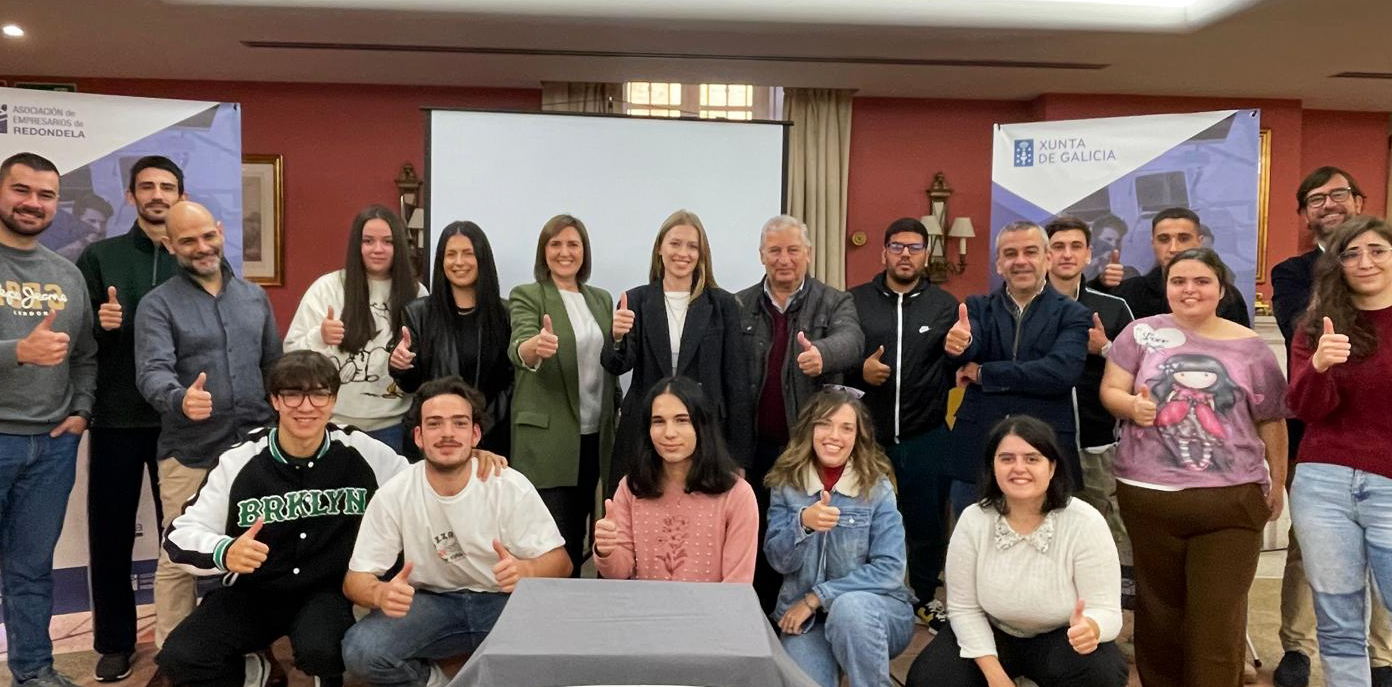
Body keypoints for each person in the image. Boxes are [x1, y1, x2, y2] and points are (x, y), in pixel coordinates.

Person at [157, 351, 413, 687]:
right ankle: (253, 672)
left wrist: (470, 459)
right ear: (275, 400)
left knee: (322, 650)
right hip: (255, 591)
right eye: (292, 394)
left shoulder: (364, 452)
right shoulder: (240, 460)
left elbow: (422, 488)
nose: (306, 407)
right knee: (181, 657)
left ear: (333, 399)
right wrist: (225, 550)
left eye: (319, 394)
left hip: (327, 590)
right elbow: (179, 533)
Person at [1100, 247, 1288, 686]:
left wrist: (1277, 481)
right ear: (1166, 288)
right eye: (1178, 281)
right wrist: (1130, 405)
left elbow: (1272, 419)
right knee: (1158, 614)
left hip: (1231, 501)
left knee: (1216, 620)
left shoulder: (1251, 346)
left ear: (1221, 289)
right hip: (1147, 498)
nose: (1189, 290)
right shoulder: (1139, 333)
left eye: (1201, 281)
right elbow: (1111, 388)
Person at [341, 376, 570, 687]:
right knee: (361, 651)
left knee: (560, 647)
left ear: (475, 434)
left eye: (459, 423)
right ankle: (439, 683)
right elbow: (356, 580)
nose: (447, 433)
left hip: (501, 600)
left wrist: (526, 569)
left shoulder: (508, 484)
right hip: (432, 603)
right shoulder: (395, 493)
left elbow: (561, 563)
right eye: (435, 424)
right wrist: (380, 593)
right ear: (419, 436)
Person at [135, 200, 282, 652]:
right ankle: (174, 658)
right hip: (191, 451)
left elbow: (273, 367)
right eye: (188, 241)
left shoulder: (254, 297)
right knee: (178, 558)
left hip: (254, 448)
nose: (201, 247)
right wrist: (181, 398)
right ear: (168, 244)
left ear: (219, 230)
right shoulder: (157, 305)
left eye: (207, 236)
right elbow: (151, 372)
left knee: (255, 551)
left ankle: (252, 651)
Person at [1270, 168, 1392, 687]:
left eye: (1377, 251)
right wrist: (1318, 366)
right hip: (1323, 484)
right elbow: (1304, 407)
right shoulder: (1317, 325)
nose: (1364, 262)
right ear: (1335, 264)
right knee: (1338, 621)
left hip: (1389, 483)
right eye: (1351, 254)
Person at [906, 415, 1128, 687]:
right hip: (992, 629)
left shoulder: (1085, 521)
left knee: (1101, 673)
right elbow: (964, 609)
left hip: (1062, 635)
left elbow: (1106, 610)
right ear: (993, 466)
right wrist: (995, 676)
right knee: (929, 679)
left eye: (1032, 459)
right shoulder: (974, 520)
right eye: (1007, 458)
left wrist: (1091, 628)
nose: (1019, 468)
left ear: (1052, 467)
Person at [74, 155, 183, 681]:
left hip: (181, 420)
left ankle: (184, 638)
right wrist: (100, 323)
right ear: (130, 196)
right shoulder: (100, 257)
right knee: (111, 534)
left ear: (180, 196)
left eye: (167, 186)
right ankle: (114, 641)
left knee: (185, 534)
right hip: (117, 417)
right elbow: (73, 337)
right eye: (147, 187)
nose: (157, 194)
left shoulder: (199, 255)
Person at [0, 152, 98, 687]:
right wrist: (19, 351)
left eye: (45, 195)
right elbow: (30, 350)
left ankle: (34, 671)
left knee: (31, 570)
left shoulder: (66, 273)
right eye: (22, 190)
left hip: (51, 446)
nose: (33, 203)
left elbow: (85, 355)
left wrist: (82, 409)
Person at [735, 213, 863, 609]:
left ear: (807, 254)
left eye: (793, 250)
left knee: (798, 534)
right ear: (761, 256)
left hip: (804, 448)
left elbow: (853, 340)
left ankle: (795, 613)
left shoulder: (833, 300)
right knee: (753, 536)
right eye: (775, 251)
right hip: (751, 448)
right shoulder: (738, 305)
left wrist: (822, 354)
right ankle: (752, 615)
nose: (784, 259)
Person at [846, 216, 958, 627]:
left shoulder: (944, 306)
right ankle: (866, 597)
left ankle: (925, 596)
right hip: (866, 438)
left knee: (926, 522)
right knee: (862, 522)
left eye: (913, 248)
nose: (905, 254)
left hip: (924, 434)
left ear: (925, 255)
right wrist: (861, 371)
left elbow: (956, 362)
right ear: (883, 252)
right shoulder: (853, 301)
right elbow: (837, 361)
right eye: (897, 247)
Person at [763, 388, 914, 687]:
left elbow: (890, 569)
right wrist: (802, 524)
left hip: (877, 614)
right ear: (810, 429)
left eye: (847, 428)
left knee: (849, 610)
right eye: (825, 424)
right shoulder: (786, 483)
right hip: (809, 623)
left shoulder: (877, 488)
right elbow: (777, 560)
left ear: (859, 437)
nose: (834, 435)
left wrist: (817, 596)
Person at [602, 210, 752, 491]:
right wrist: (617, 337)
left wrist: (738, 456)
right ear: (660, 248)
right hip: (644, 432)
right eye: (675, 243)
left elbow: (737, 383)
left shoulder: (723, 304)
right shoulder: (635, 299)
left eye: (692, 246)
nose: (683, 253)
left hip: (705, 432)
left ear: (701, 253)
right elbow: (615, 365)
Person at [945, 220, 1091, 511]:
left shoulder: (1074, 314)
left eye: (1030, 252)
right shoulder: (976, 307)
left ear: (1047, 258)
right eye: (1010, 254)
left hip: (1046, 449)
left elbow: (1059, 373)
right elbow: (969, 345)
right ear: (999, 263)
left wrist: (984, 373)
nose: (1020, 261)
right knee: (972, 547)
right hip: (978, 451)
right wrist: (960, 344)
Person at [508, 214, 619, 576]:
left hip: (596, 437)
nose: (564, 252)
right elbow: (518, 347)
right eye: (555, 244)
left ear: (584, 252)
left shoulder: (601, 299)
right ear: (544, 251)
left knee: (598, 537)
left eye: (573, 244)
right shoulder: (528, 295)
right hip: (549, 441)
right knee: (557, 542)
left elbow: (609, 360)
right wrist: (534, 347)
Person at [1043, 217, 1136, 599]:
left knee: (1104, 536)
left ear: (1087, 254)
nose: (1067, 254)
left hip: (1097, 445)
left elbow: (1144, 371)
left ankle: (1111, 622)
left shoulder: (1113, 308)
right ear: (1046, 255)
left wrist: (1106, 349)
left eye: (1075, 246)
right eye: (1058, 246)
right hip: (1039, 446)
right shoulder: (1023, 306)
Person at [285, 205, 424, 453]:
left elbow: (431, 363)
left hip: (395, 428)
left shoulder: (417, 293)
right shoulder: (326, 288)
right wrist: (320, 337)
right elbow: (290, 353)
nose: (378, 249)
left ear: (399, 246)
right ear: (356, 245)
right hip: (333, 425)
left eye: (388, 241)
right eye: (368, 241)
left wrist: (411, 361)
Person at [593, 376, 758, 582]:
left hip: (711, 612)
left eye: (682, 420)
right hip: (646, 611)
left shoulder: (737, 494)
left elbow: (737, 583)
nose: (669, 433)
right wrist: (606, 550)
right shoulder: (631, 487)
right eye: (659, 421)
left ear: (701, 426)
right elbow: (619, 572)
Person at [390, 220, 513, 455]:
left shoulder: (506, 315)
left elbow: (511, 381)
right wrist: (400, 367)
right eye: (451, 254)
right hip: (432, 440)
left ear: (482, 259)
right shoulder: (417, 313)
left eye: (468, 253)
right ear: (441, 261)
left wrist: (475, 425)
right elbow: (411, 385)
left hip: (490, 440)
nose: (458, 262)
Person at [1095, 207, 1251, 326]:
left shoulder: (1226, 296)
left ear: (1199, 241)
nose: (1173, 248)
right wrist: (1100, 283)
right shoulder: (1129, 293)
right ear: (1153, 243)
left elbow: (1241, 354)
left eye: (1183, 238)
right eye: (1164, 239)